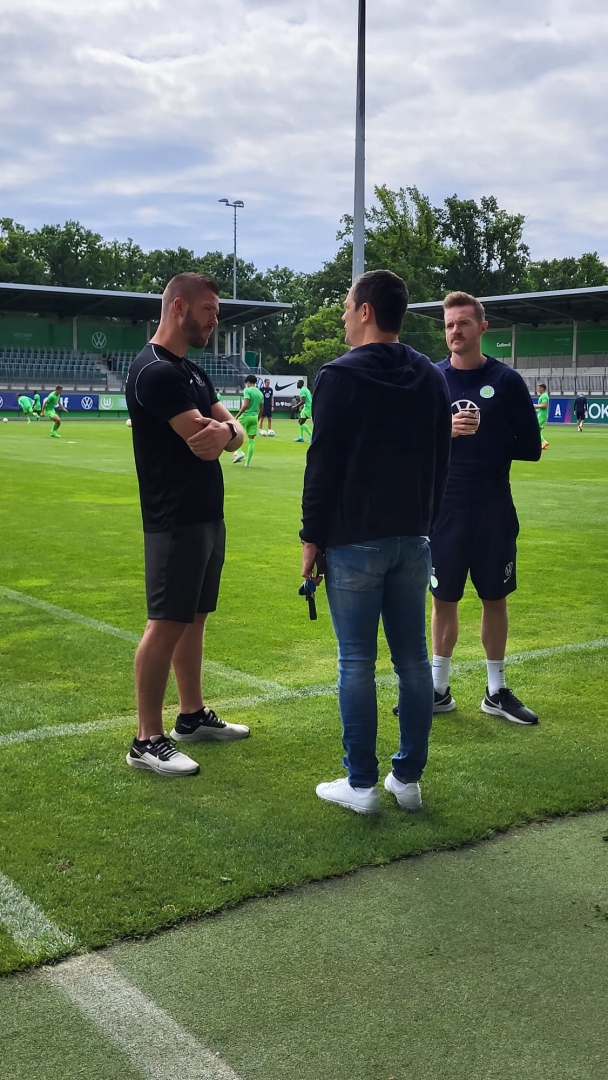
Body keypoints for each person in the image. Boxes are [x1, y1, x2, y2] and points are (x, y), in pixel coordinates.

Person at [301, 269, 452, 815]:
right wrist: (425, 521)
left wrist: (310, 538)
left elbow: (322, 464)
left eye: (347, 306)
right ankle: (407, 780)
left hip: (354, 540)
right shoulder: (430, 375)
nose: (344, 315)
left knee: (356, 662)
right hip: (413, 539)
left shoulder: (339, 375)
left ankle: (361, 784)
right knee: (412, 661)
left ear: (365, 311)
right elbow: (442, 459)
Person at [124, 272, 249, 776]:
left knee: (195, 616)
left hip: (205, 514)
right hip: (173, 518)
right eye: (208, 310)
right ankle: (146, 739)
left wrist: (227, 430)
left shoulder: (192, 372)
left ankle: (191, 716)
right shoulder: (156, 371)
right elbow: (204, 439)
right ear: (178, 307)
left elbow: (232, 433)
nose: (215, 320)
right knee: (166, 623)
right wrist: (225, 430)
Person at [410, 291, 541, 728]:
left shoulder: (506, 381)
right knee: (443, 600)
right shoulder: (431, 378)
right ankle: (438, 690)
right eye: (449, 324)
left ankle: (495, 691)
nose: (455, 331)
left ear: (482, 327)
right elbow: (410, 445)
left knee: (494, 599)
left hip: (492, 510)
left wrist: (488, 433)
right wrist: (444, 430)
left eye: (463, 323)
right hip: (443, 512)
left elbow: (530, 448)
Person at [233, 375, 263, 467]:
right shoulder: (260, 393)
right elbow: (261, 409)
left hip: (245, 416)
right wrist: (257, 419)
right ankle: (247, 463)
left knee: (233, 433)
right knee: (251, 441)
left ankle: (239, 452)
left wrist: (236, 416)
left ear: (248, 382)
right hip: (254, 417)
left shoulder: (247, 390)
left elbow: (245, 405)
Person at [535, 382, 550, 450]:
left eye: (539, 388)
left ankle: (544, 442)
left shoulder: (544, 396)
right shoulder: (544, 395)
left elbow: (544, 405)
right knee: (537, 431)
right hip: (542, 415)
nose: (538, 389)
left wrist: (536, 406)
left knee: (535, 430)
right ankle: (542, 443)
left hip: (542, 416)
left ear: (542, 388)